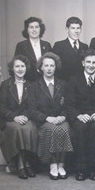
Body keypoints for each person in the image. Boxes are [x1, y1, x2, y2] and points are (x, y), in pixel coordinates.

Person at [66, 49, 95, 181]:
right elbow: (69, 104)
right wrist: (78, 115)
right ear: (83, 63)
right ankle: (81, 169)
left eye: (94, 63)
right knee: (80, 129)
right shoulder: (73, 80)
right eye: (88, 62)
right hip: (80, 115)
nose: (91, 65)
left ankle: (94, 168)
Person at [30, 52, 73, 180]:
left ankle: (61, 164)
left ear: (56, 67)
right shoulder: (34, 86)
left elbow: (68, 106)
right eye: (46, 65)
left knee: (64, 129)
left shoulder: (63, 84)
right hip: (44, 120)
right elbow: (31, 109)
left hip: (60, 119)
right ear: (41, 68)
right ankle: (53, 164)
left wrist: (63, 117)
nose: (49, 68)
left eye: (52, 66)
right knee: (52, 129)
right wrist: (47, 118)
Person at [0, 55, 37, 179]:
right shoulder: (5, 85)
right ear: (12, 68)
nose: (20, 69)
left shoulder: (31, 85)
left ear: (26, 68)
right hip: (9, 119)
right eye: (17, 66)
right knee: (17, 128)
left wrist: (25, 116)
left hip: (26, 118)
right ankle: (22, 165)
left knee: (29, 128)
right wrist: (15, 117)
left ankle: (26, 162)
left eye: (22, 66)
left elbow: (32, 106)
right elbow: (2, 107)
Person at [14, 17, 52, 81]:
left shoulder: (47, 45)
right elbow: (16, 66)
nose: (34, 30)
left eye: (36, 27)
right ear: (27, 30)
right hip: (28, 82)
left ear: (40, 29)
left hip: (44, 82)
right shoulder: (21, 46)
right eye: (31, 27)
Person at [53, 16, 88, 81]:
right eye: (73, 28)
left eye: (78, 28)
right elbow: (55, 68)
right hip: (64, 84)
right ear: (67, 29)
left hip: (80, 84)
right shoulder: (59, 46)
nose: (76, 31)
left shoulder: (85, 47)